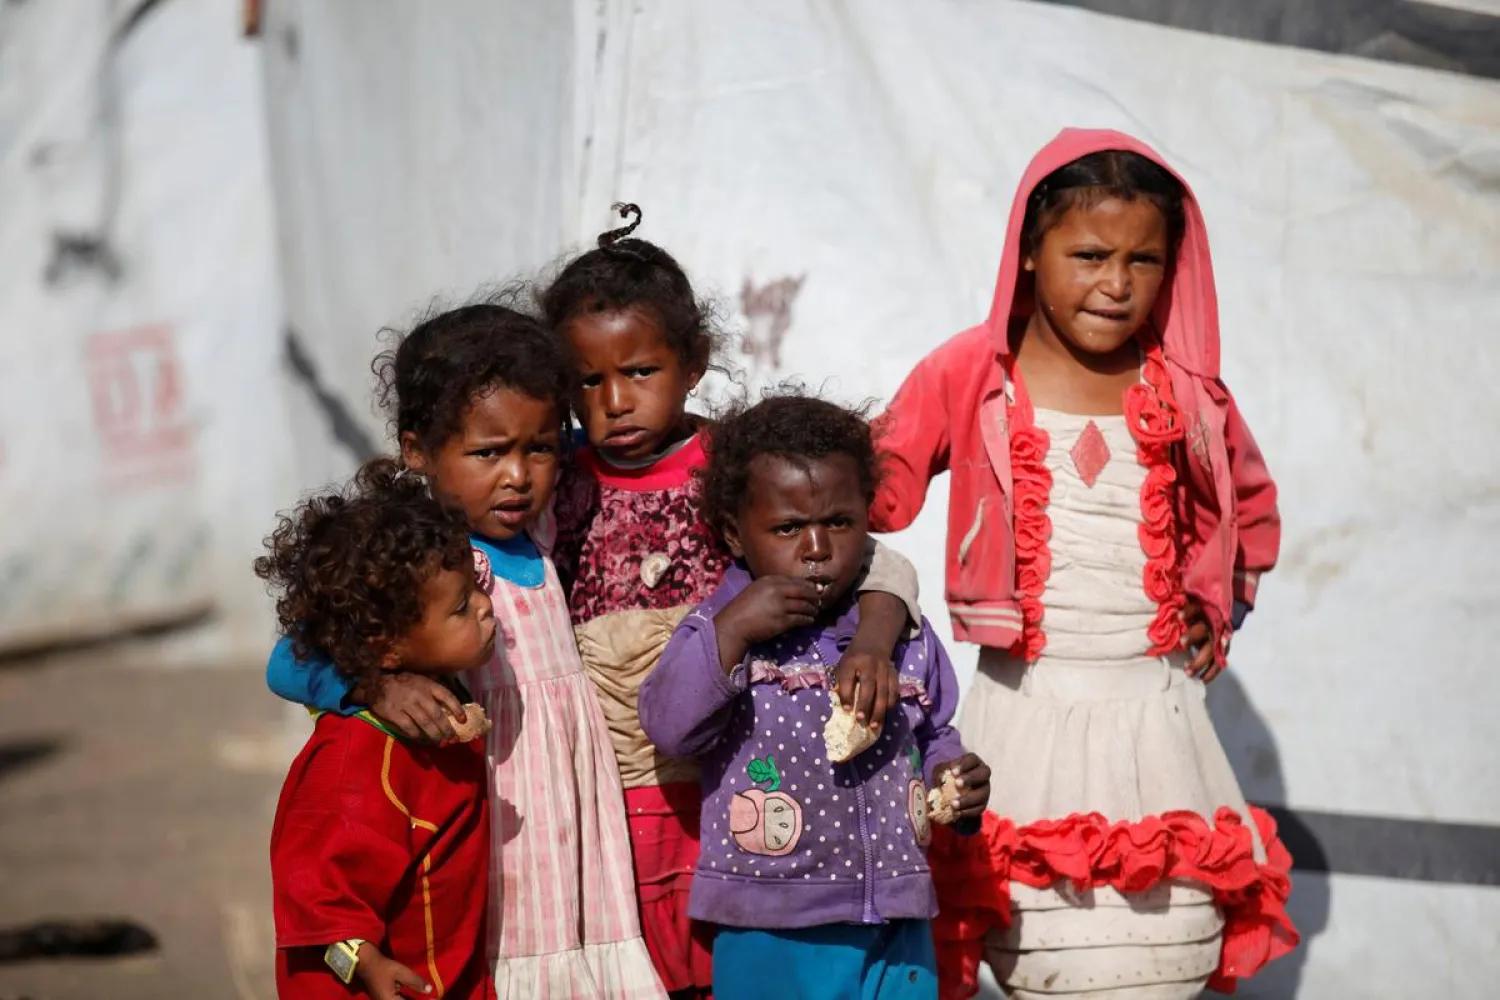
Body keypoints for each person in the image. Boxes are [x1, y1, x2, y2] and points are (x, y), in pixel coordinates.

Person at [871, 129, 1298, 999]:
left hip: (1156, 719)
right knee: (1036, 937)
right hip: (1023, 709)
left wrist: (1217, 605)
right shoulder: (971, 373)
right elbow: (874, 491)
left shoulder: (1186, 393)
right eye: (1091, 255)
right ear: (1030, 251)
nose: (1117, 283)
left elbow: (1249, 511)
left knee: (1164, 940)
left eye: (1144, 260)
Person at [540, 206, 924, 998]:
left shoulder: (740, 465)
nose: (615, 400)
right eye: (588, 380)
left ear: (693, 362)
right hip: (612, 778)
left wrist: (874, 641)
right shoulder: (555, 480)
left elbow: (878, 562)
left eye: (639, 372)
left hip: (739, 766)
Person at [268, 301, 666, 997]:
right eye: (488, 453)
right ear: (417, 450)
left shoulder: (537, 530)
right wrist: (374, 684)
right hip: (495, 819)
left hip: (574, 813)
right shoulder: (428, 566)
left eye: (538, 448)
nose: (518, 475)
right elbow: (285, 662)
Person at [639, 393, 990, 1000]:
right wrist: (734, 628)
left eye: (840, 522)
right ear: (735, 533)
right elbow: (669, 724)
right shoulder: (723, 629)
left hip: (898, 918)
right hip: (773, 925)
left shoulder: (901, 633)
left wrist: (952, 778)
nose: (817, 547)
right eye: (787, 528)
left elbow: (933, 730)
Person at [259, 458, 495, 1000]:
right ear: (386, 648)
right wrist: (363, 961)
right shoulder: (359, 758)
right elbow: (312, 888)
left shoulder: (446, 704)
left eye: (476, 590)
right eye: (462, 607)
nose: (486, 608)